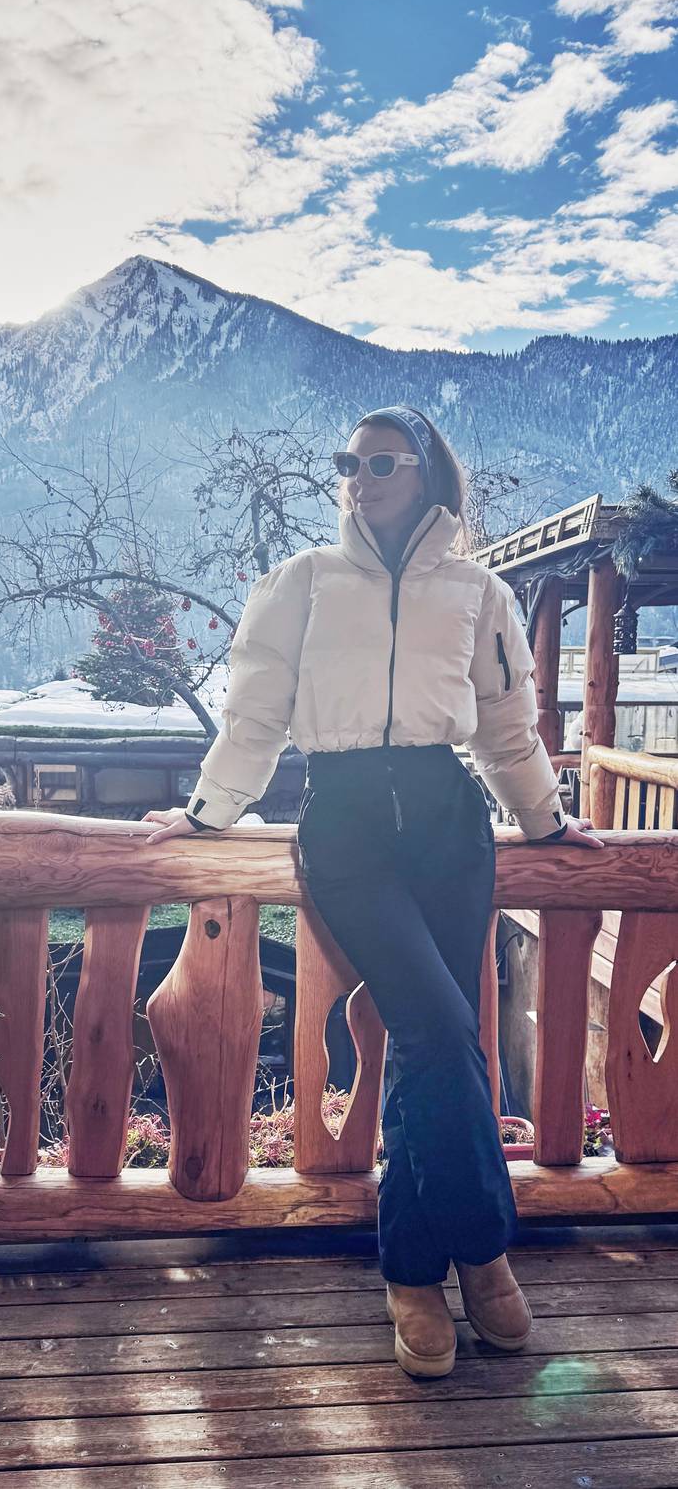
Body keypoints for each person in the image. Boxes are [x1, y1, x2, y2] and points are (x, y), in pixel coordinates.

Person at [142, 403, 604, 1379]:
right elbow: (256, 712)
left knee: (433, 1041)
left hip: (448, 822)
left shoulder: (479, 592)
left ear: (427, 472)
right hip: (346, 825)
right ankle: (481, 1252)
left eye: (381, 462)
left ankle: (412, 1274)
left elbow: (505, 723)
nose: (359, 477)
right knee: (439, 1026)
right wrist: (208, 813)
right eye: (348, 463)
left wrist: (545, 823)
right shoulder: (301, 583)